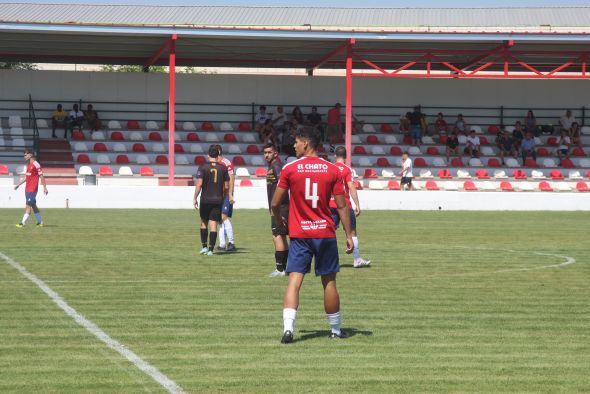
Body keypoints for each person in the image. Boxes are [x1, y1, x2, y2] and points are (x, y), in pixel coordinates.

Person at [271, 127, 353, 344]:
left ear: (306, 143)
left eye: (296, 142)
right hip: (325, 233)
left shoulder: (290, 169)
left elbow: (275, 203)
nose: (294, 145)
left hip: (300, 234)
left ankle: (288, 330)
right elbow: (342, 206)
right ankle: (335, 331)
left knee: (294, 281)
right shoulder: (332, 170)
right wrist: (348, 234)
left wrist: (280, 223)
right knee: (329, 282)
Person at [330, 146, 370, 268]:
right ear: (346, 157)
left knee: (329, 231)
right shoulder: (347, 170)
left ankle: (329, 259)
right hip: (345, 205)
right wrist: (357, 204)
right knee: (352, 231)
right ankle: (357, 259)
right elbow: (351, 187)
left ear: (335, 156)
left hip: (330, 204)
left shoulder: (329, 168)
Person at [193, 145, 229, 256]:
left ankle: (204, 246)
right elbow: (226, 186)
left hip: (205, 199)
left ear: (208, 155)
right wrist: (223, 197)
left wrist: (194, 197)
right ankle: (211, 250)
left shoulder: (203, 167)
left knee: (204, 222)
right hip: (217, 200)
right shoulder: (223, 168)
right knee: (213, 224)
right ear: (218, 155)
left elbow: (199, 184)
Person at [264, 143, 290, 277]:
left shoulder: (276, 166)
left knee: (277, 237)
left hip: (280, 209)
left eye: (269, 152)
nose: (266, 155)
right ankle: (285, 268)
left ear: (275, 153)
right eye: (265, 152)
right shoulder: (272, 166)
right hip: (279, 208)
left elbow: (283, 186)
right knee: (282, 237)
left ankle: (280, 269)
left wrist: (279, 210)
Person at [15, 149, 48, 228]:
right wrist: (18, 184)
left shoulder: (36, 164)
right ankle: (40, 222)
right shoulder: (29, 165)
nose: (24, 156)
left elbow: (41, 176)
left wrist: (45, 187)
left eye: (25, 155)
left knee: (28, 205)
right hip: (27, 189)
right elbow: (27, 177)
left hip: (32, 189)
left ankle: (22, 223)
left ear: (30, 155)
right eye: (24, 155)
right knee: (33, 205)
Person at [214, 144, 236, 252]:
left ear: (218, 151)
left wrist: (230, 193)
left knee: (223, 216)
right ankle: (222, 244)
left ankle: (231, 242)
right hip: (217, 194)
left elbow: (231, 178)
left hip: (226, 194)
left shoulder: (226, 163)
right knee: (220, 218)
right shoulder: (215, 164)